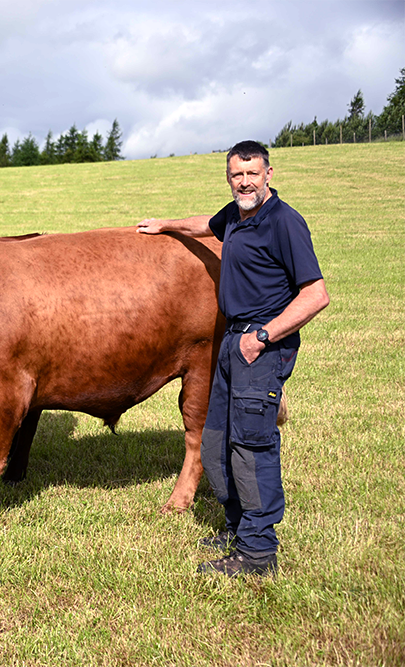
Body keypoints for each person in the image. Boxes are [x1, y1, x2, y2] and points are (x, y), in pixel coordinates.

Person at [137, 140, 329, 577]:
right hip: (231, 343)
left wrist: (263, 336)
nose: (244, 181)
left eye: (252, 173)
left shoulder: (284, 222)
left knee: (251, 447)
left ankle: (258, 553)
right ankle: (236, 529)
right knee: (216, 441)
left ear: (268, 175)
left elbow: (316, 295)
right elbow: (206, 224)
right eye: (236, 175)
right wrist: (164, 224)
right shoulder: (236, 216)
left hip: (259, 347)